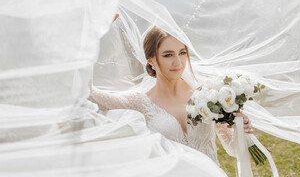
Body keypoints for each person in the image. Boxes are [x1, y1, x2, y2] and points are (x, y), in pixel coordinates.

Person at [88, 24, 253, 166]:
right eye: (168, 55)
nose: (178, 62)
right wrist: (89, 37)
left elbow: (233, 149)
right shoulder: (138, 102)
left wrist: (241, 130)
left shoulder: (207, 95)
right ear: (151, 60)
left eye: (182, 53)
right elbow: (89, 95)